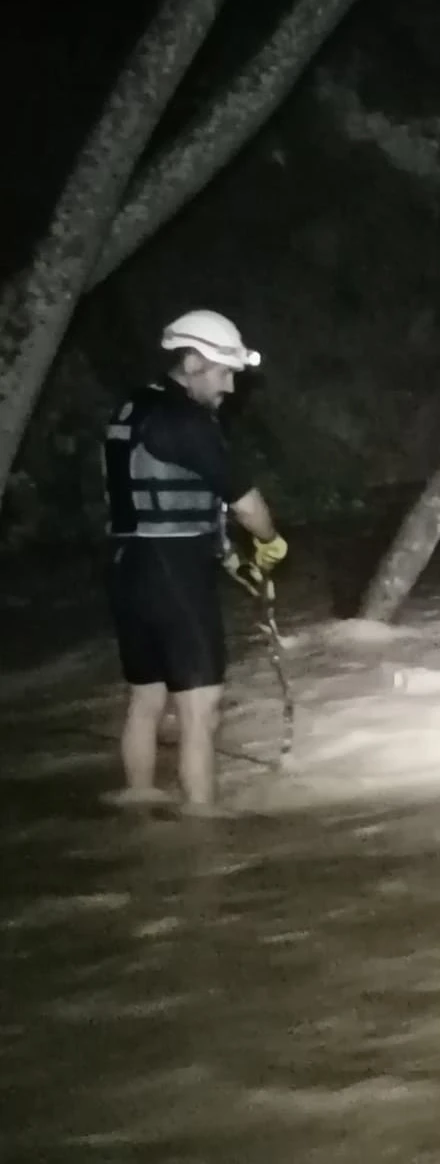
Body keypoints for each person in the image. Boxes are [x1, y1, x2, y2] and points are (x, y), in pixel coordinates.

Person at [103, 310, 288, 814]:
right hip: (174, 576)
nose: (230, 385)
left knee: (146, 697)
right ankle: (202, 819)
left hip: (128, 569)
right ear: (191, 362)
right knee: (199, 706)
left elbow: (170, 506)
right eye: (223, 372)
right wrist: (270, 542)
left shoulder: (132, 408)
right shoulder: (185, 421)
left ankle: (138, 793)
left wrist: (226, 556)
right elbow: (244, 503)